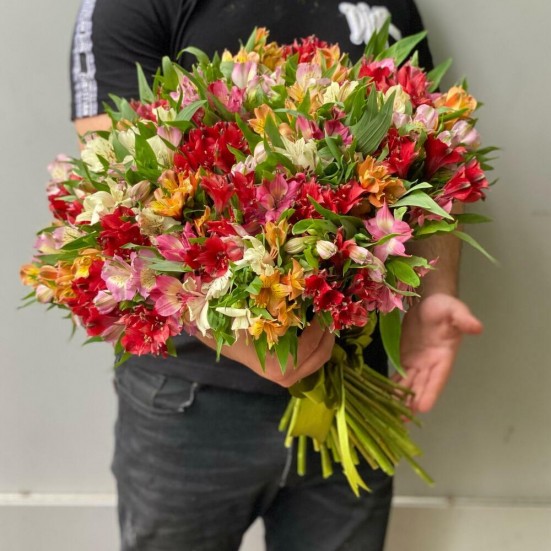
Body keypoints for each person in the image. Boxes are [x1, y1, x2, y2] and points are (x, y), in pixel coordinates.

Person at [70, 1, 483, 549]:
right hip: (190, 405)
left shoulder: (389, 3)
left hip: (351, 381)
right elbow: (120, 194)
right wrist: (240, 323)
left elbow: (431, 161)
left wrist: (434, 291)